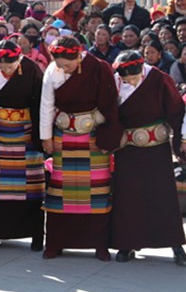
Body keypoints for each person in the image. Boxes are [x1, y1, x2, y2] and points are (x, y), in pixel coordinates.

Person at [40, 36, 120, 261]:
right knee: (60, 190)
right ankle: (56, 242)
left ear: (78, 56)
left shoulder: (99, 68)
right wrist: (46, 137)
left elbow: (109, 103)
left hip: (93, 136)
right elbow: (46, 105)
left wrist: (108, 137)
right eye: (60, 65)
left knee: (97, 191)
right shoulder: (52, 71)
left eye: (68, 65)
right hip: (63, 135)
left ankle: (99, 244)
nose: (64, 69)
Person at [109, 51, 185, 265]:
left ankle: (175, 245)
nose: (130, 82)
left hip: (156, 149)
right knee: (128, 196)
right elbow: (108, 112)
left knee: (162, 196)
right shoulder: (115, 81)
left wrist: (181, 141)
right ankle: (127, 244)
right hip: (127, 149)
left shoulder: (159, 79)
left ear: (141, 69)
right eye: (126, 80)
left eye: (133, 78)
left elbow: (177, 111)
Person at [0, 40, 45, 251]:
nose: (6, 70)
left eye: (11, 66)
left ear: (19, 59)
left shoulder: (32, 69)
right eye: (2, 67)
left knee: (30, 186)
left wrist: (42, 137)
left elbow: (40, 103)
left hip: (26, 132)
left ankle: (35, 233)